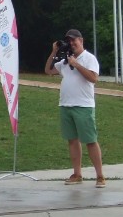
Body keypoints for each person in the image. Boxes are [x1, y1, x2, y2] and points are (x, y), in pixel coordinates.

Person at [45, 29, 106, 188]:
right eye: (69, 41)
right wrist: (54, 52)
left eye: (74, 40)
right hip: (66, 105)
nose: (71, 43)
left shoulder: (89, 58)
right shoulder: (66, 60)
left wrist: (76, 65)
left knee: (90, 140)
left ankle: (100, 176)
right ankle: (77, 174)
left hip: (83, 105)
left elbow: (93, 78)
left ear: (81, 40)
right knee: (72, 141)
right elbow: (48, 70)